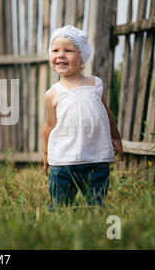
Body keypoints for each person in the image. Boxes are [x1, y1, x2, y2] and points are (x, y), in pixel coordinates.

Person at [42, 25, 124, 210]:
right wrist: (47, 153)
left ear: (82, 57)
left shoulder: (95, 84)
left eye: (68, 50)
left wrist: (115, 136)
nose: (60, 55)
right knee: (61, 206)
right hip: (62, 163)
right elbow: (49, 126)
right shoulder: (53, 94)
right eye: (55, 50)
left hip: (96, 161)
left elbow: (105, 113)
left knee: (95, 206)